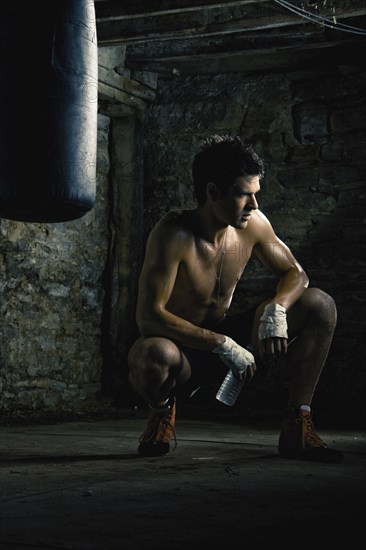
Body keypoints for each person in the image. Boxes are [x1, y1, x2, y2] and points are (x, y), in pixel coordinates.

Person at [127, 135, 343, 463]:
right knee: (150, 354)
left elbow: (296, 273)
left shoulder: (252, 225)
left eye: (256, 195)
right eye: (244, 195)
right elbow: (149, 317)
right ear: (213, 192)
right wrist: (223, 345)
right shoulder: (174, 233)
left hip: (236, 337)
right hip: (185, 352)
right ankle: (161, 412)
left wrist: (276, 309)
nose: (254, 206)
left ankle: (297, 424)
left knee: (320, 304)